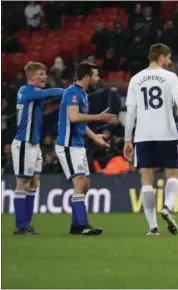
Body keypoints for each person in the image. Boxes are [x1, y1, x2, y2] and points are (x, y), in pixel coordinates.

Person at [123, 43, 178, 236]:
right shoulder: (170, 77)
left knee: (147, 180)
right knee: (172, 175)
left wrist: (127, 139)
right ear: (162, 57)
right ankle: (168, 207)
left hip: (143, 136)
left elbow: (130, 113)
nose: (170, 62)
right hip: (166, 133)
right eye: (169, 58)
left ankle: (152, 227)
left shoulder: (135, 79)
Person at [55, 62, 117, 235]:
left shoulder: (82, 94)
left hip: (78, 144)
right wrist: (99, 117)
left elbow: (81, 122)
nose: (98, 78)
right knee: (80, 182)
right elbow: (74, 117)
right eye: (96, 75)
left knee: (85, 185)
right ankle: (81, 225)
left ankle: (77, 226)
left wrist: (94, 136)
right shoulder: (72, 93)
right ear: (88, 77)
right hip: (67, 144)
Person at [12, 62, 65, 235]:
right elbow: (51, 93)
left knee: (34, 182)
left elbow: (46, 95)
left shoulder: (32, 93)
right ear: (32, 77)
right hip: (23, 144)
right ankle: (20, 225)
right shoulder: (27, 91)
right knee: (23, 183)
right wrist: (71, 91)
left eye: (45, 74)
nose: (44, 77)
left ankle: (26, 223)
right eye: (41, 74)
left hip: (34, 144)